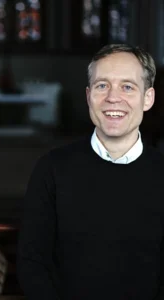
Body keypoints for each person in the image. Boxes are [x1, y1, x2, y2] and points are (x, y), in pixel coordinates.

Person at [17, 44, 164, 300]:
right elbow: (32, 262)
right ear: (88, 96)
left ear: (148, 98)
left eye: (127, 87)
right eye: (102, 86)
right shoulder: (51, 169)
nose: (112, 98)